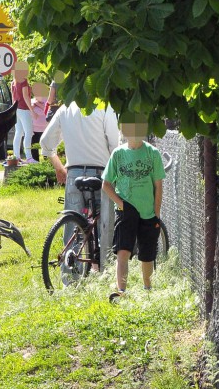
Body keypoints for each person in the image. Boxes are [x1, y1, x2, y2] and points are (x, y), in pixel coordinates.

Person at [39, 98, 120, 263]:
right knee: (105, 225)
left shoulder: (65, 108)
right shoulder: (104, 105)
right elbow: (114, 145)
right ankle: (106, 270)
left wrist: (58, 167)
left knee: (72, 225)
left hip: (74, 174)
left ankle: (70, 276)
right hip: (101, 173)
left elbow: (45, 142)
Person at [101, 114, 166, 303]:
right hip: (125, 211)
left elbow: (158, 186)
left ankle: (148, 289)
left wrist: (156, 213)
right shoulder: (118, 154)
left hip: (148, 212)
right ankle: (121, 291)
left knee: (147, 254)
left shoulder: (152, 153)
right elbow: (106, 184)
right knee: (123, 251)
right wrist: (122, 205)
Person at [9, 64, 37, 164]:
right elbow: (26, 97)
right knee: (28, 133)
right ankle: (29, 157)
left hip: (17, 110)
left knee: (19, 133)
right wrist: (32, 111)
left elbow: (13, 99)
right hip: (24, 110)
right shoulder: (23, 81)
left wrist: (13, 111)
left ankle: (16, 157)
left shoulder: (13, 82)